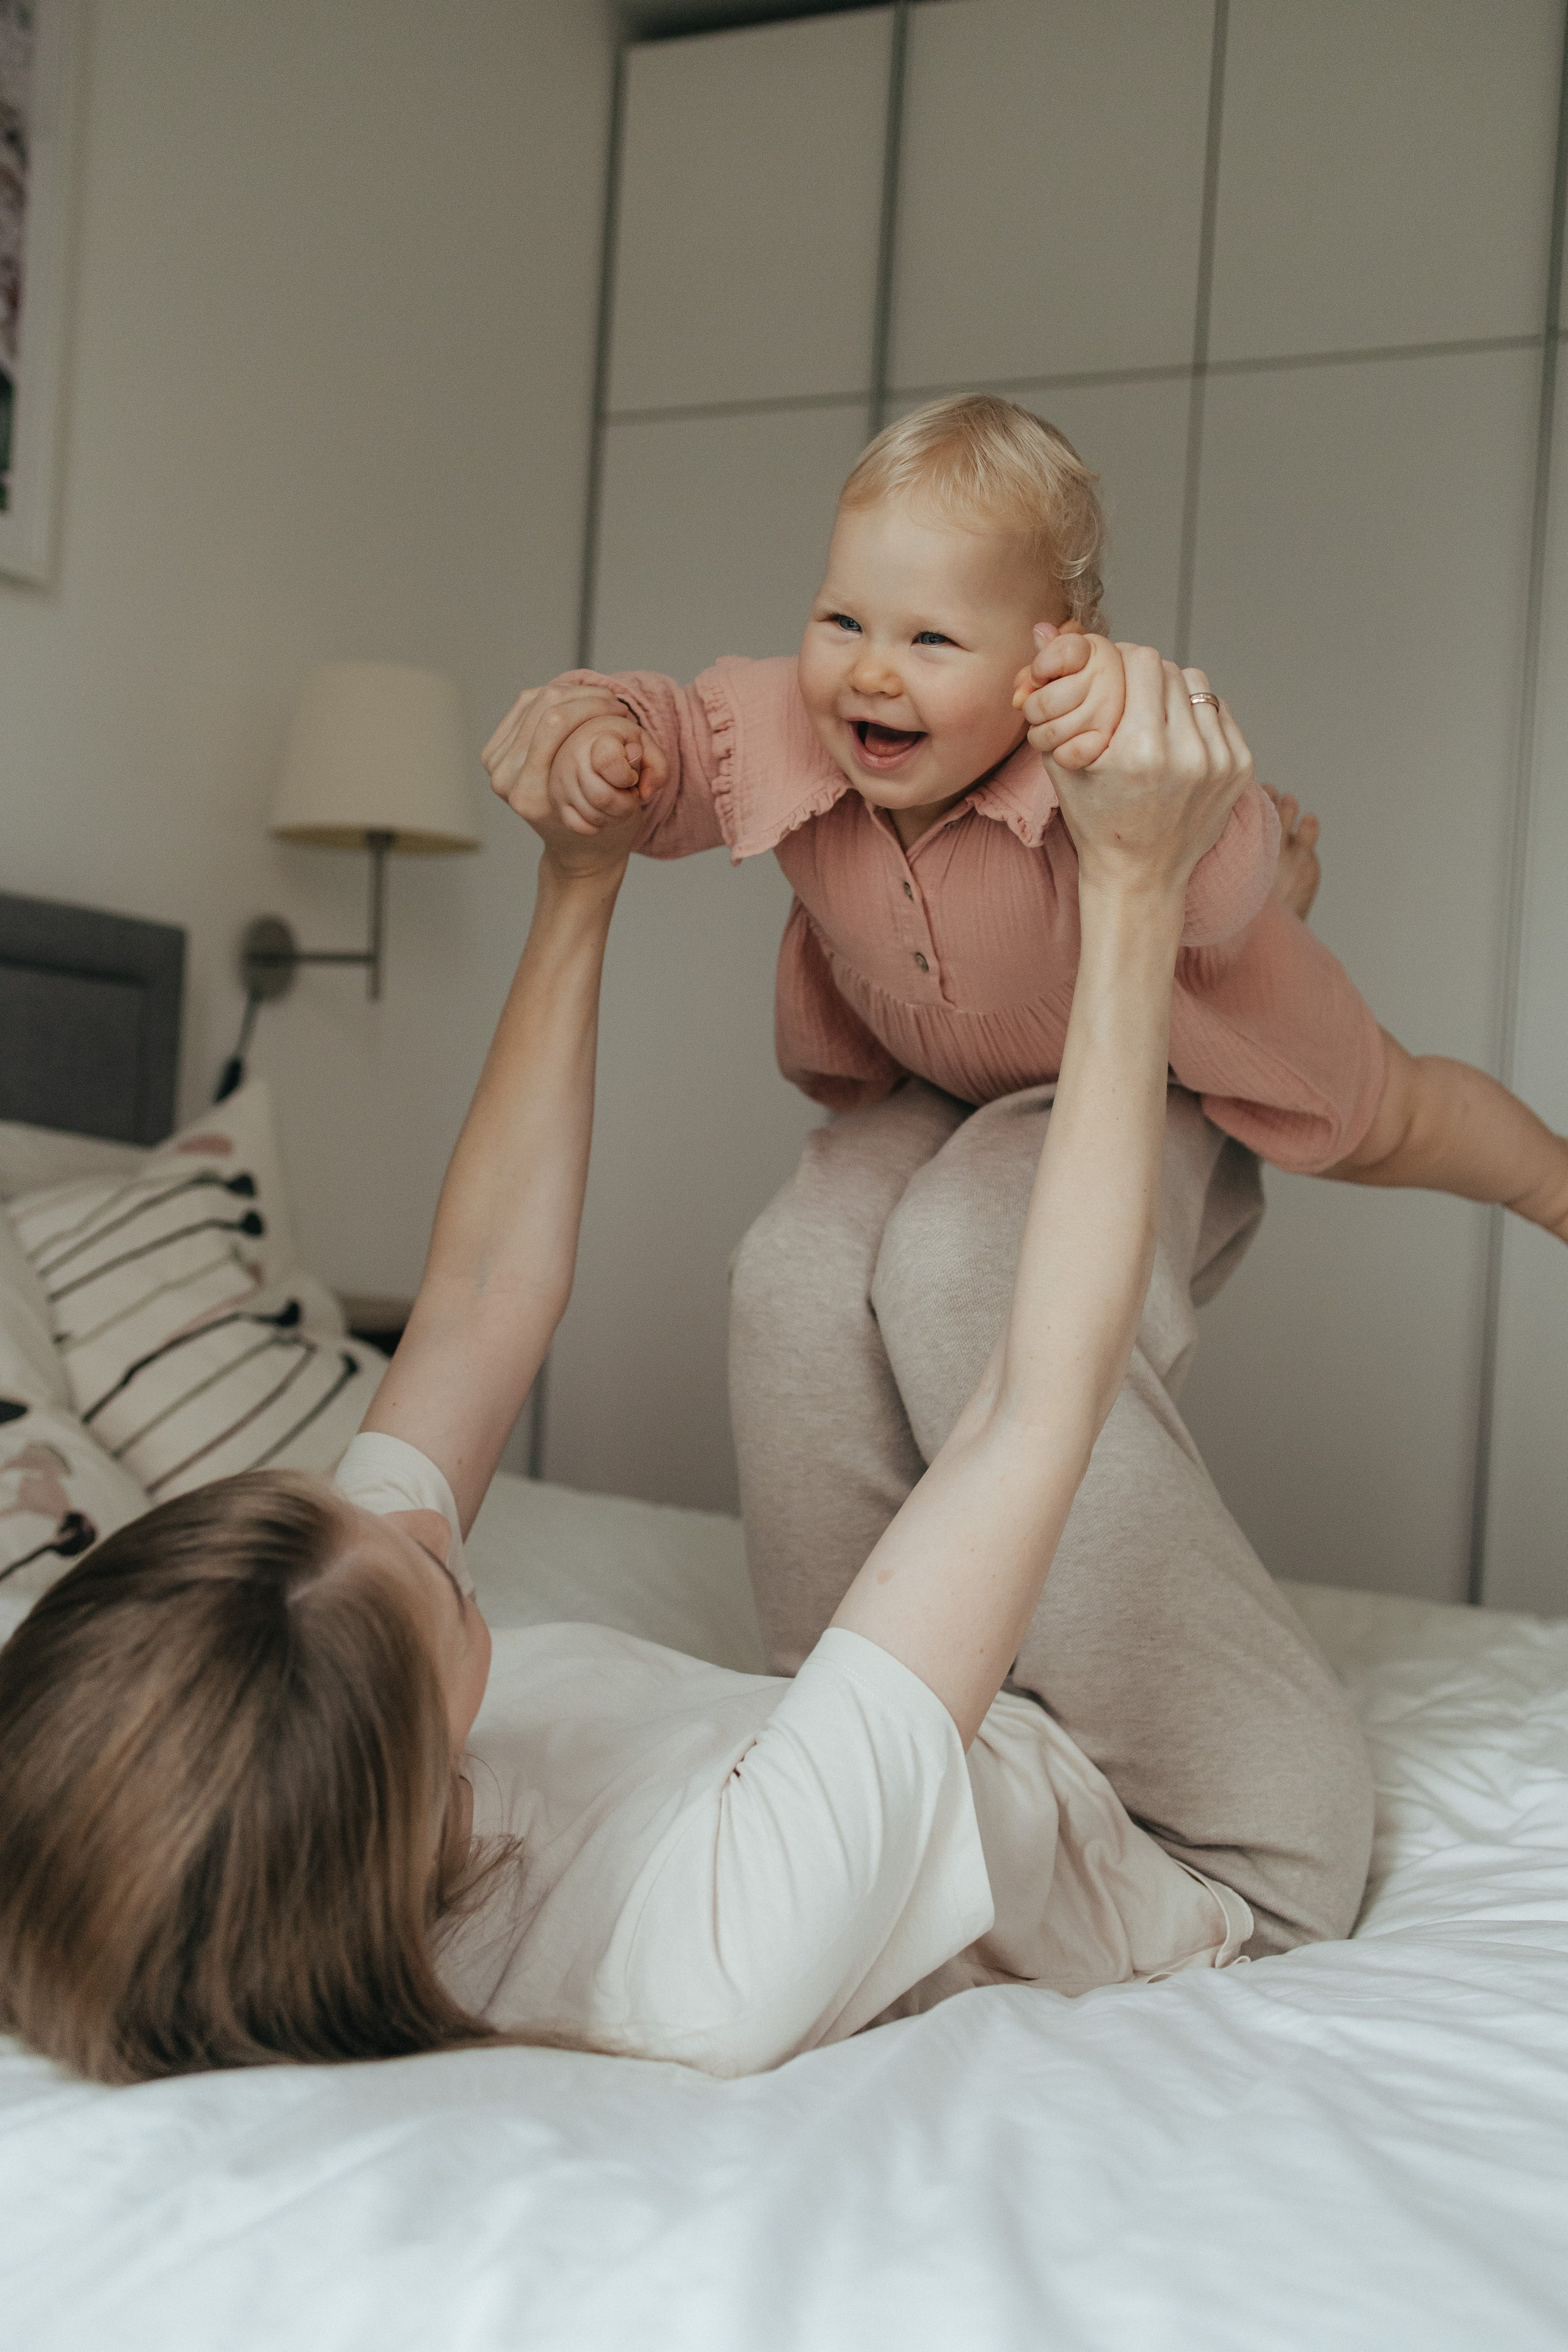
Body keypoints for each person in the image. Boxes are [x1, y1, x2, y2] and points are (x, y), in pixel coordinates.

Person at [2, 646, 1264, 2086]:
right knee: (960, 1272)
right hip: (1185, 1846)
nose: (427, 1518)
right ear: (398, 1791)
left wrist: (577, 878)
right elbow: (1029, 1406)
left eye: (350, 1506)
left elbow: (480, 1296)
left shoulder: (280, 1721)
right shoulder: (713, 1951)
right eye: (428, 1577)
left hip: (930, 1753)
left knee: (801, 1265)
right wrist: (1134, 899)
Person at [522, 393, 1568, 1955]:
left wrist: (1243, 840)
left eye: (935, 640)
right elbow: (678, 738)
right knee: (799, 1270)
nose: (871, 666)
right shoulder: (802, 723)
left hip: (1160, 1057)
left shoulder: (1102, 739)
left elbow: (1203, 859)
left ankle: (1553, 1180)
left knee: (1372, 1122)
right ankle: (867, 1738)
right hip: (941, 1078)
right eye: (841, 615)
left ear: (1049, 650)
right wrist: (593, 737)